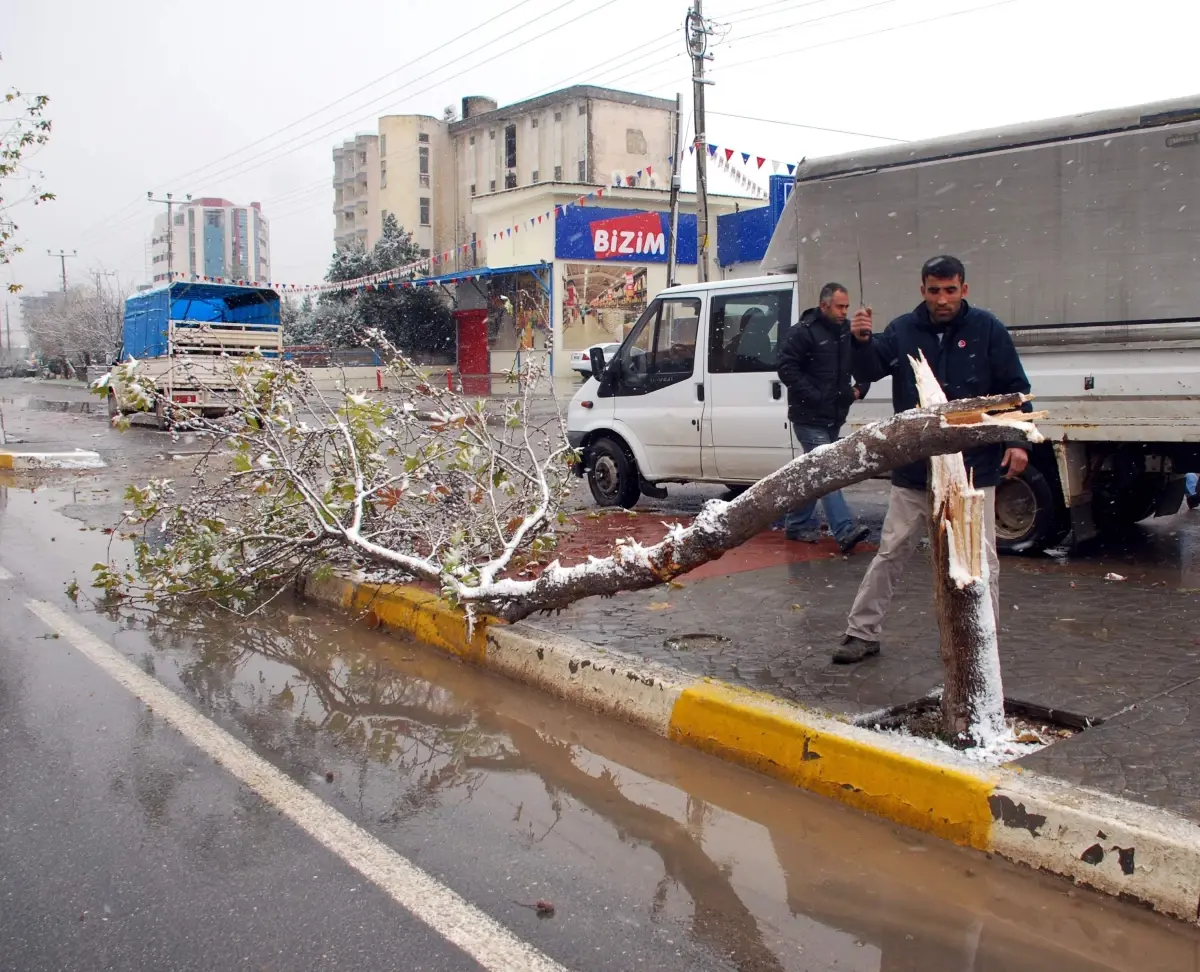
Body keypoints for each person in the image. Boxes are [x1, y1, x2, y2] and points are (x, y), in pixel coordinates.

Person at [836, 255, 1032, 664]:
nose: (942, 299)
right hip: (916, 469)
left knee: (982, 559)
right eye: (934, 290)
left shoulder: (988, 329)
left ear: (964, 289)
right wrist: (859, 341)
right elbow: (870, 368)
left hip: (973, 468)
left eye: (950, 290)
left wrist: (1018, 442)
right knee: (892, 551)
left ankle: (984, 640)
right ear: (922, 290)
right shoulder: (903, 330)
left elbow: (1015, 388)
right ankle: (862, 631)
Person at [776, 282, 872, 554]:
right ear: (824, 305)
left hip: (835, 414)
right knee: (827, 470)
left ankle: (796, 523)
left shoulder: (845, 333)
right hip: (809, 417)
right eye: (840, 307)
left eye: (846, 307)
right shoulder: (803, 333)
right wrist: (815, 395)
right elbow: (786, 368)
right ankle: (844, 530)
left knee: (814, 472)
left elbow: (862, 362)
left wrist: (858, 389)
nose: (845, 312)